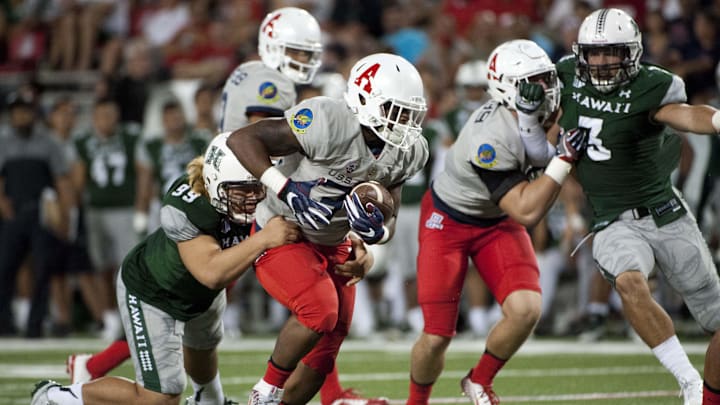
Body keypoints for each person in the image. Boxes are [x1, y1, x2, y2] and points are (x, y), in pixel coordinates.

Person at [31, 133, 302, 405]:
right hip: (154, 290)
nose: (254, 197)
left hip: (202, 293)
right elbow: (210, 272)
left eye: (257, 187)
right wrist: (265, 238)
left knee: (203, 347)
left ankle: (210, 401)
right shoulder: (189, 203)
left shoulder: (262, 196)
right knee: (161, 397)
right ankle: (55, 397)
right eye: (243, 190)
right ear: (216, 182)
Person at [226, 52, 430, 405]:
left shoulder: (409, 151)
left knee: (326, 349)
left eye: (411, 113)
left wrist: (373, 238)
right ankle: (265, 393)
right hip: (284, 229)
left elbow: (389, 211)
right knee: (319, 310)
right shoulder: (328, 120)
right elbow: (243, 140)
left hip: (334, 242)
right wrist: (286, 188)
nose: (407, 122)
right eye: (398, 111)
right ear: (366, 102)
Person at [405, 39, 587, 405]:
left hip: (495, 221)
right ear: (506, 86)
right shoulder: (489, 137)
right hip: (450, 221)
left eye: (547, 78)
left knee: (525, 310)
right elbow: (526, 210)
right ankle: (416, 401)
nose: (546, 89)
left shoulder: (550, 105)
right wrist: (564, 160)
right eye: (532, 82)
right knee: (438, 334)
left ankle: (479, 380)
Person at [556, 8, 720, 405]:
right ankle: (689, 383)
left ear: (632, 52)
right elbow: (544, 119)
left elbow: (682, 115)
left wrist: (717, 120)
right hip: (613, 218)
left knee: (717, 320)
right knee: (630, 282)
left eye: (611, 52)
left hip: (664, 210)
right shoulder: (564, 77)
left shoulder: (653, 85)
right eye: (593, 54)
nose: (601, 62)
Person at [0, 90, 74, 338]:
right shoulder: (3, 141)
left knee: (44, 269)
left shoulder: (49, 143)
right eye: (17, 112)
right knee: (5, 268)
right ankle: (5, 323)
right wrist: (3, 205)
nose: (21, 116)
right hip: (14, 213)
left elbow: (62, 181)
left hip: (42, 214)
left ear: (33, 114)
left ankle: (35, 325)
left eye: (25, 111)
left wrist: (64, 216)